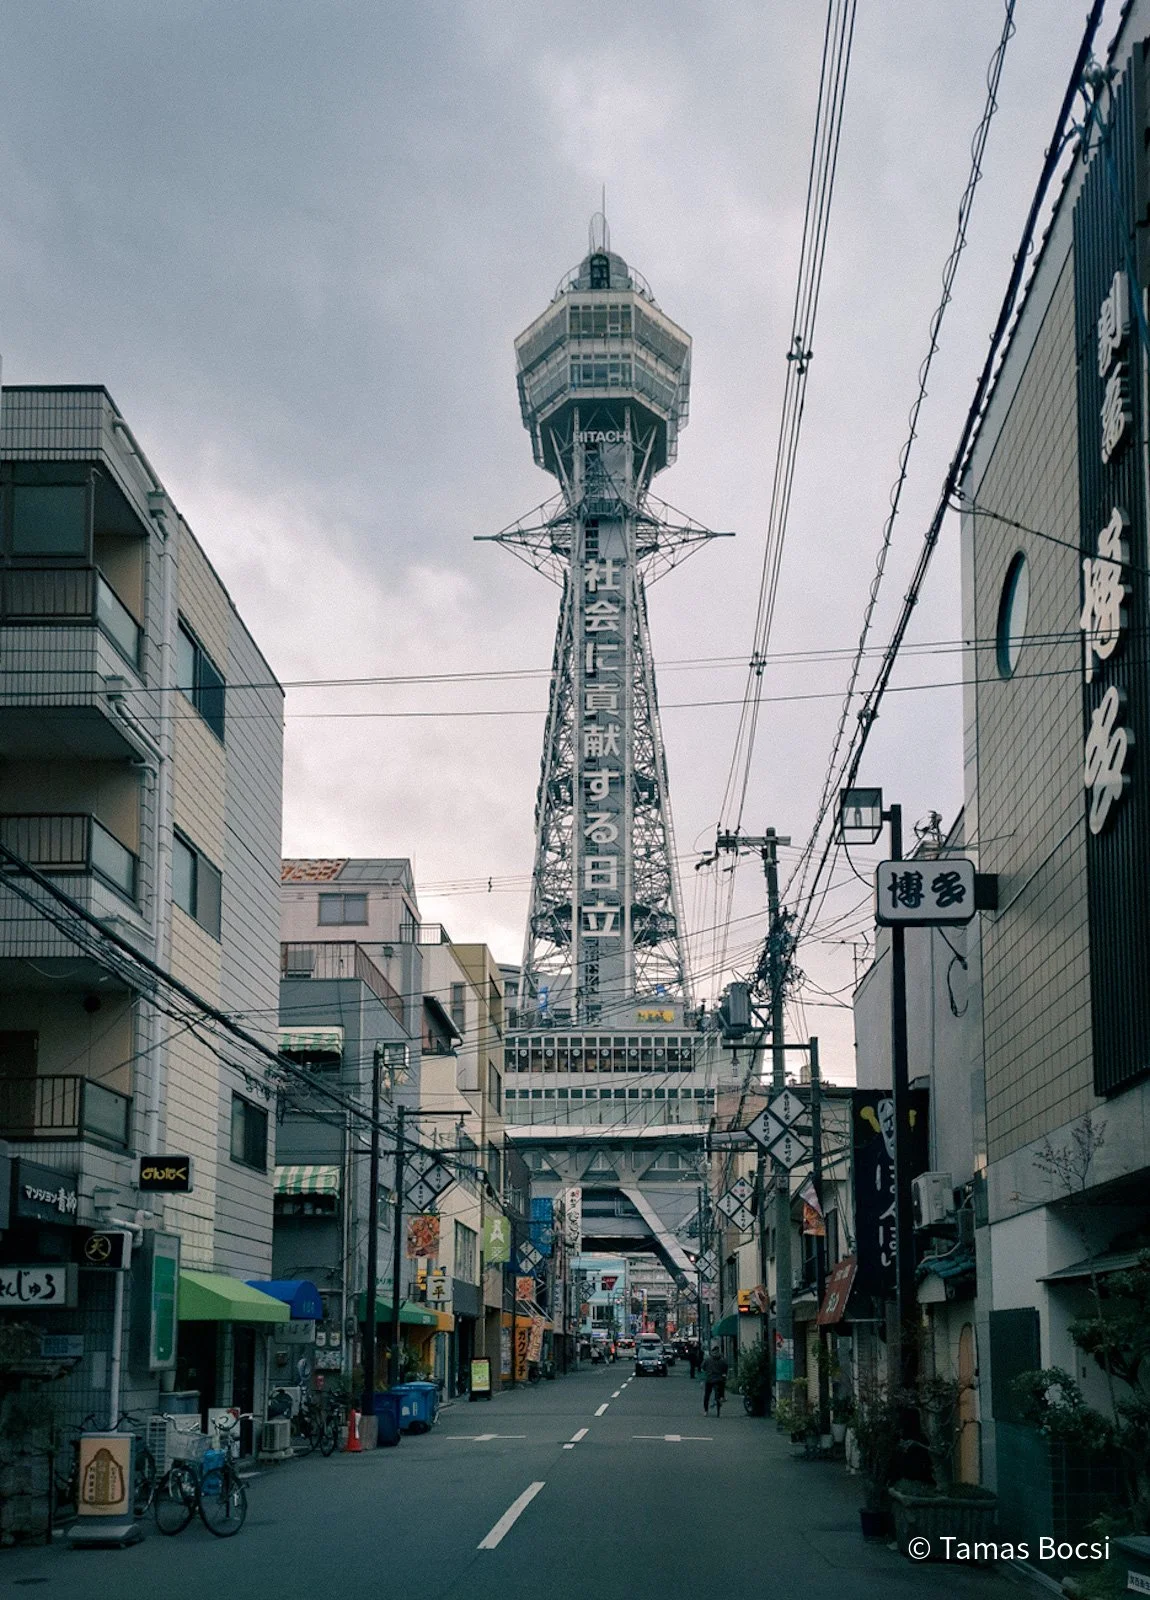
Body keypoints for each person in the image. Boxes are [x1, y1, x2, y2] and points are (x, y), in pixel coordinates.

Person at [702, 1343, 728, 1415]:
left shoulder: (707, 1359)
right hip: (719, 1379)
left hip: (709, 1379)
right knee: (722, 1384)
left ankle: (706, 1411)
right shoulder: (722, 1360)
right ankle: (722, 1397)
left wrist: (707, 1371)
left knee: (707, 1394)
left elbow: (703, 1367)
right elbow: (725, 1368)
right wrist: (724, 1373)